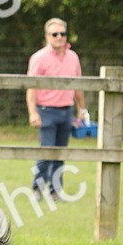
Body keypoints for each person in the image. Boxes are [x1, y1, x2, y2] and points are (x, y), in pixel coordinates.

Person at [26, 17, 86, 199]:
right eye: (55, 34)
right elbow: (31, 86)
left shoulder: (73, 57)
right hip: (46, 111)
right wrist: (33, 112)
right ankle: (37, 188)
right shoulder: (39, 58)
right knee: (46, 151)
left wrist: (81, 109)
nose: (59, 37)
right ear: (47, 36)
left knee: (60, 152)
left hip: (66, 111)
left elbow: (78, 86)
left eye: (63, 33)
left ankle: (56, 190)